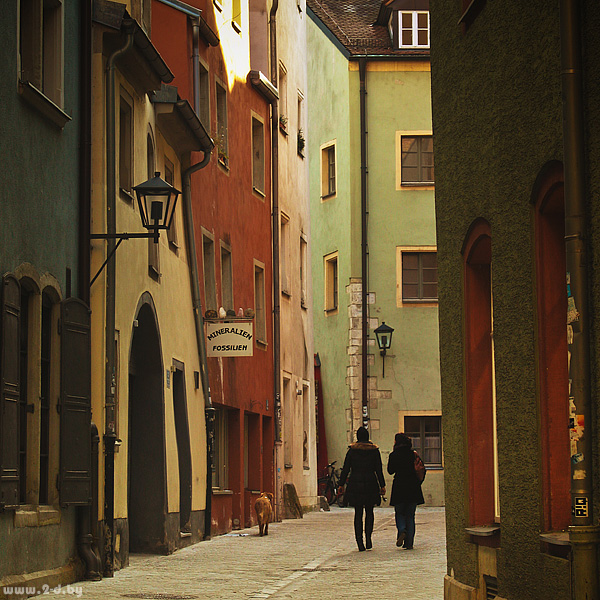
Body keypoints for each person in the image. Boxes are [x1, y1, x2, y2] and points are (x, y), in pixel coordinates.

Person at [337, 427, 386, 551]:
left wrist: (341, 484)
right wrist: (382, 485)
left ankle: (359, 541)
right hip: (370, 482)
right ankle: (368, 537)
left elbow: (346, 468)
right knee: (370, 511)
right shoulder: (374, 451)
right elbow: (378, 469)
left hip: (355, 483)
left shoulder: (352, 451)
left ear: (358, 437)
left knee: (358, 513)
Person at [387, 432, 425, 550]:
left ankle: (402, 530)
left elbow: (390, 471)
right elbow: (422, 467)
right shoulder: (412, 454)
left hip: (399, 486)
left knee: (399, 513)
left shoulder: (394, 455)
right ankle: (409, 543)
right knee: (410, 515)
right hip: (413, 486)